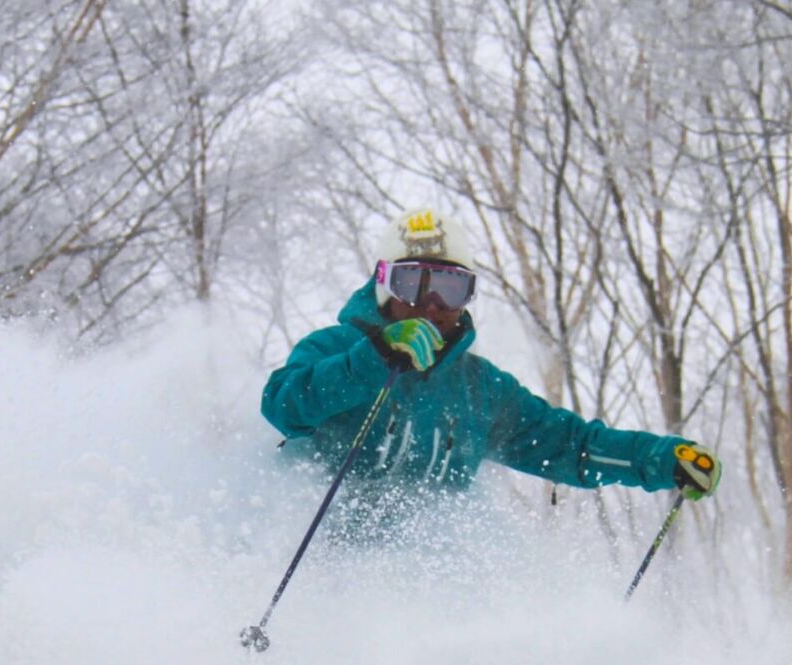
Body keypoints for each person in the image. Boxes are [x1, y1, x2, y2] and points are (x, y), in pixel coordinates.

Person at [260, 208, 720, 517]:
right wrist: (373, 359)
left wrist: (661, 460)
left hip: (415, 585)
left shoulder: (478, 390)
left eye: (451, 288)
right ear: (383, 285)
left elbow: (570, 446)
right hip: (316, 559)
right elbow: (283, 406)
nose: (432, 305)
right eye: (413, 284)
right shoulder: (336, 348)